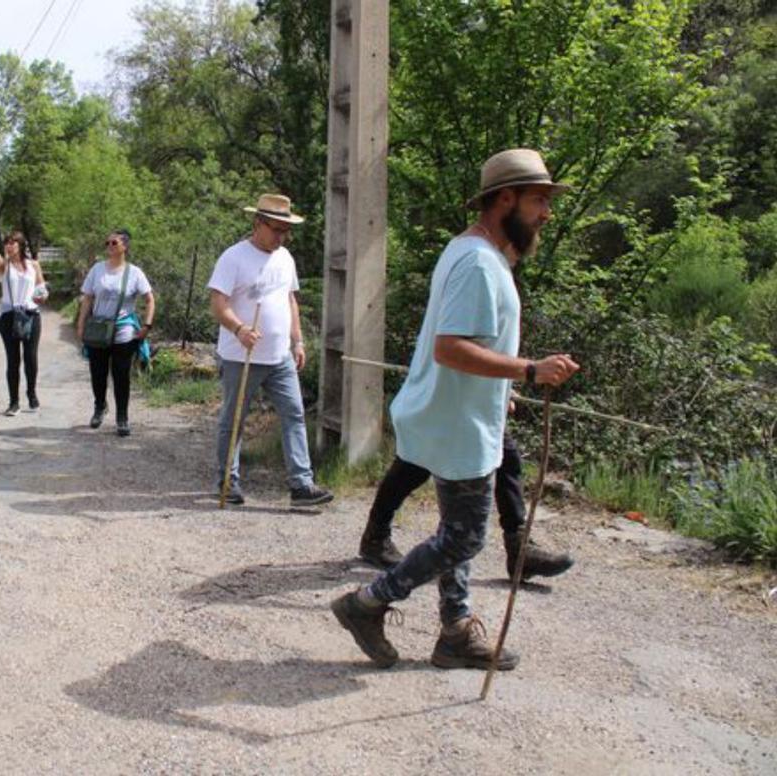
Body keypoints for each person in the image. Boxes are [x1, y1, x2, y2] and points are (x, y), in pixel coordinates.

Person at [332, 148, 581, 671]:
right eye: (539, 200)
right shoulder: (477, 263)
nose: (546, 213)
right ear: (505, 199)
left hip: (459, 418)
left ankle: (455, 632)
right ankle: (367, 603)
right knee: (466, 535)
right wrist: (529, 370)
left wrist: (501, 388)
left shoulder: (474, 252)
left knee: (456, 529)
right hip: (454, 426)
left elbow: (469, 345)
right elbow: (450, 347)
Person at [208, 194, 333, 508]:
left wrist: (298, 341)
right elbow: (218, 303)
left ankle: (301, 485)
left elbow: (290, 301)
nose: (282, 236)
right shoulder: (233, 257)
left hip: (279, 357)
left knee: (294, 414)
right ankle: (227, 481)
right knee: (234, 420)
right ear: (258, 224)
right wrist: (239, 329)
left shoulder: (285, 258)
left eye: (286, 230)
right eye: (277, 229)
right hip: (241, 356)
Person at [358, 430, 575, 580]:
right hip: (448, 394)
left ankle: (519, 548)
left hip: (475, 394)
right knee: (416, 463)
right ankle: (375, 539)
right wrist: (528, 372)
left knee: (506, 456)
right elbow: (449, 360)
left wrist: (500, 385)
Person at [75, 229, 155, 437]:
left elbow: (149, 299)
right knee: (98, 373)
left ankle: (122, 417)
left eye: (114, 243)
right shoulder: (97, 270)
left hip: (124, 330)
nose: (109, 246)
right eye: (107, 243)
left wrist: (146, 325)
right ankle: (100, 406)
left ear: (125, 247)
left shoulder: (135, 273)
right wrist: (81, 324)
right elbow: (88, 298)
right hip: (99, 330)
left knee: (121, 375)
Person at [0, 228, 48, 416]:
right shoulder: (5, 266)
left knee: (31, 358)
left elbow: (41, 287)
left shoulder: (33, 265)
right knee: (13, 360)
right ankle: (13, 402)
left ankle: (32, 392)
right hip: (10, 316)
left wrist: (43, 295)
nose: (9, 246)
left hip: (31, 315)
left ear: (21, 245)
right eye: (7, 243)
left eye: (13, 242)